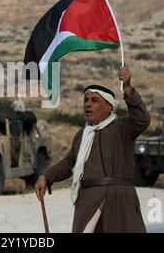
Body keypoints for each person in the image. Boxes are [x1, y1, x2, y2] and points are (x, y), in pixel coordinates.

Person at [34, 66, 151, 233]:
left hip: (119, 202)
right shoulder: (82, 134)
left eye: (95, 100)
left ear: (109, 106)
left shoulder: (122, 128)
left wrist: (128, 88)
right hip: (89, 202)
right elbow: (69, 163)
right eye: (86, 100)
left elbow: (142, 120)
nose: (88, 104)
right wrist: (46, 176)